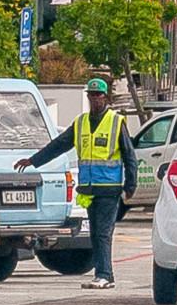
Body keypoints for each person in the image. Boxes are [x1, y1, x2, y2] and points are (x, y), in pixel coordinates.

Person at [27, 75, 129, 289]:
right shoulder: (81, 122)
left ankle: (104, 274)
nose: (94, 99)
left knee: (102, 233)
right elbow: (59, 145)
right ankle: (104, 275)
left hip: (109, 188)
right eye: (91, 95)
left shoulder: (116, 122)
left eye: (98, 95)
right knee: (95, 233)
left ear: (106, 97)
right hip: (88, 188)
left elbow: (130, 156)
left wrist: (131, 186)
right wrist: (33, 161)